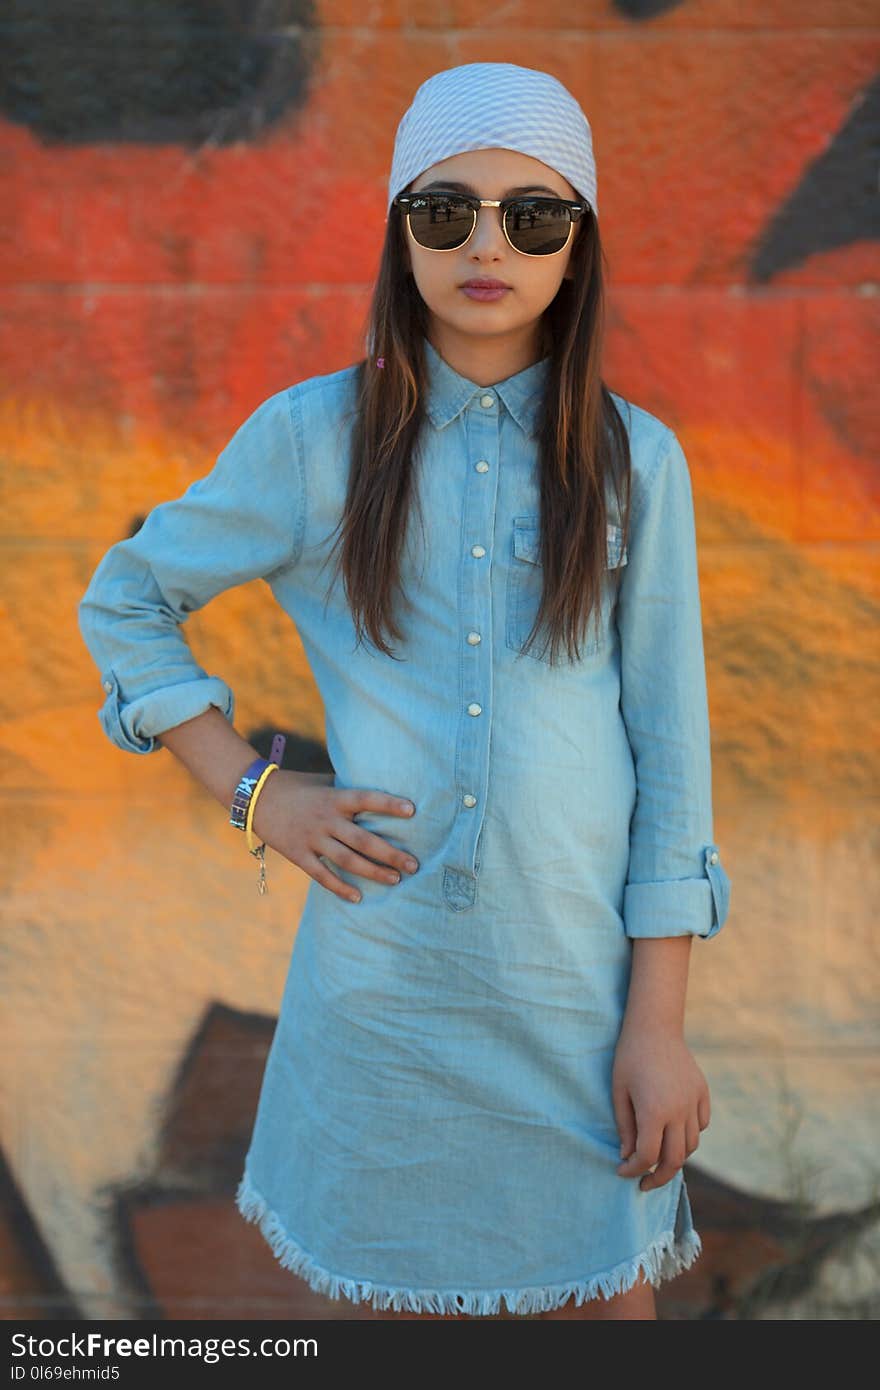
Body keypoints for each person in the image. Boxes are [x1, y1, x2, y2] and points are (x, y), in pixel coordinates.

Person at [77, 61, 732, 1321]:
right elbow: (127, 598)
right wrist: (255, 791)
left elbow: (670, 751)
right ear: (401, 232)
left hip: (579, 1003)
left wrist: (657, 1024)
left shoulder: (635, 461)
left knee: (606, 1305)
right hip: (388, 1008)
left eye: (531, 216)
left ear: (575, 248)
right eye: (446, 211)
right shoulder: (313, 439)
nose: (487, 243)